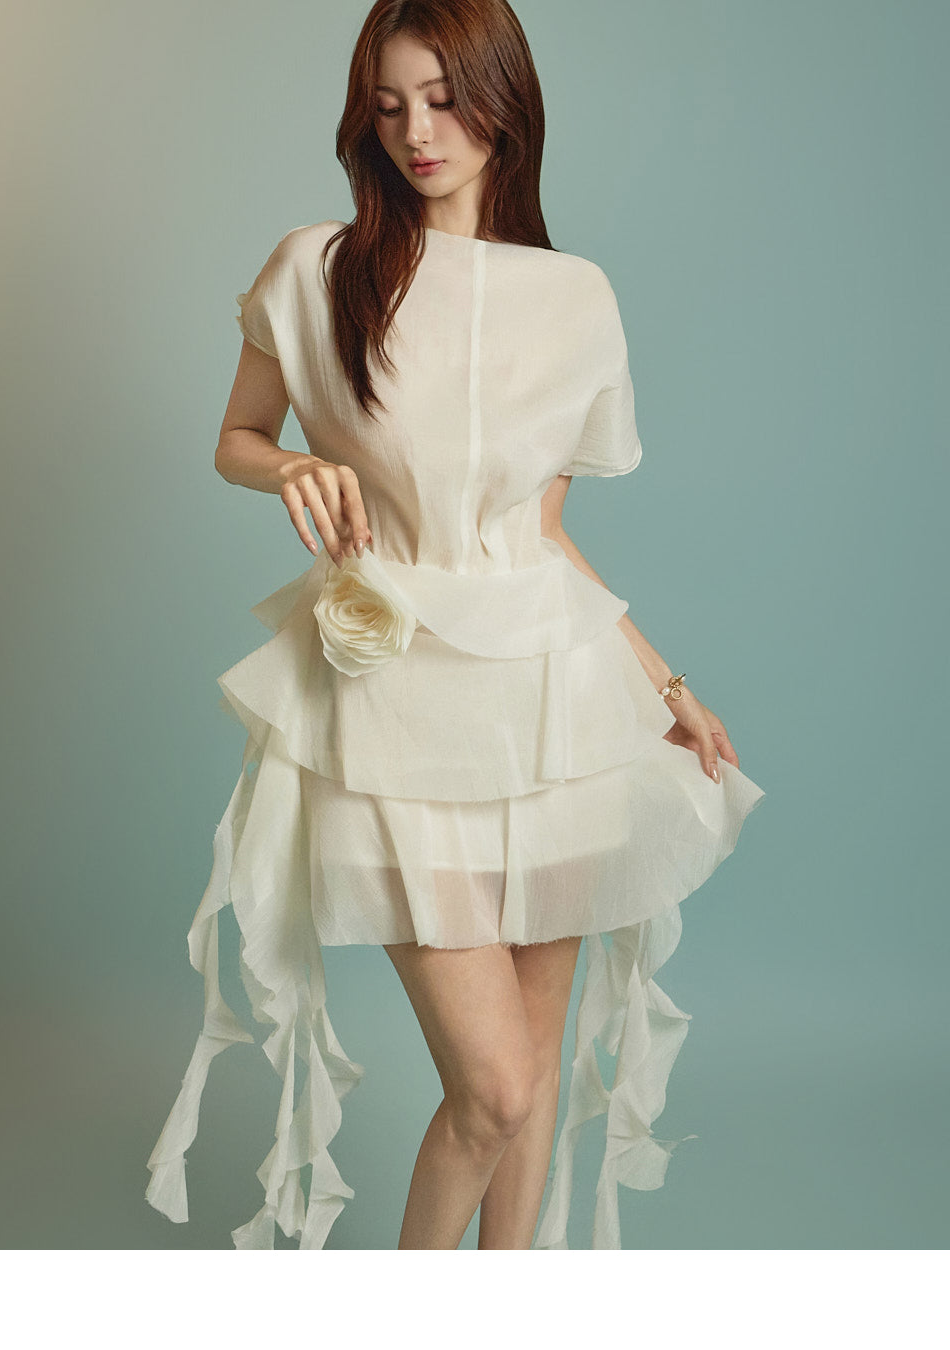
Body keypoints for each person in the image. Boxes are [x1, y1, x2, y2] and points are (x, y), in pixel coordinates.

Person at [144, 0, 766, 1251]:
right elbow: (238, 436)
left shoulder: (574, 297)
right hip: (389, 698)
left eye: (441, 99)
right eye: (388, 106)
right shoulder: (316, 268)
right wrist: (293, 468)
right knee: (494, 1087)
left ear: (503, 104)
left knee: (531, 1068)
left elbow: (542, 536)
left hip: (551, 702)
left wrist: (663, 683)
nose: (416, 132)